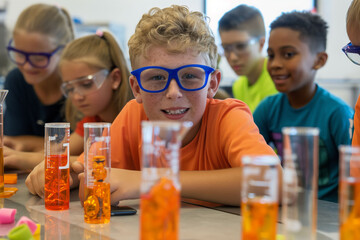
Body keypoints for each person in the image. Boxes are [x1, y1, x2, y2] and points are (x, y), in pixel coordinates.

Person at [27, 5, 279, 206]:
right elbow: (88, 174)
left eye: (190, 76)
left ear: (212, 83)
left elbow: (272, 181)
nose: (173, 93)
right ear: (136, 87)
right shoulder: (132, 116)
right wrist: (65, 174)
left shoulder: (228, 117)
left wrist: (152, 181)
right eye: (157, 77)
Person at [253, 11, 354, 203]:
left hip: (329, 216)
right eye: (271, 55)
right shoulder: (267, 109)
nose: (275, 64)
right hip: (287, 208)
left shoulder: (337, 113)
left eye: (288, 54)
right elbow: (247, 159)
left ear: (319, 60)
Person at [5, 30, 133, 171]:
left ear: (115, 78)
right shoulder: (93, 120)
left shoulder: (133, 117)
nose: (77, 97)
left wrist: (18, 158)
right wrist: (13, 155)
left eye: (86, 84)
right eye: (70, 89)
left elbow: (100, 162)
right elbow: (57, 152)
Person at [3, 3, 74, 152]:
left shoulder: (78, 85)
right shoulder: (16, 80)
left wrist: (28, 146)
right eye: (20, 54)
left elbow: (85, 147)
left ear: (64, 50)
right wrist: (61, 146)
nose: (27, 66)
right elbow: (12, 142)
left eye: (39, 58)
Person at [218, 4, 277, 112]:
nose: (233, 57)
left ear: (261, 44)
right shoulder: (239, 85)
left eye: (241, 46)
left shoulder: (278, 81)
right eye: (226, 48)